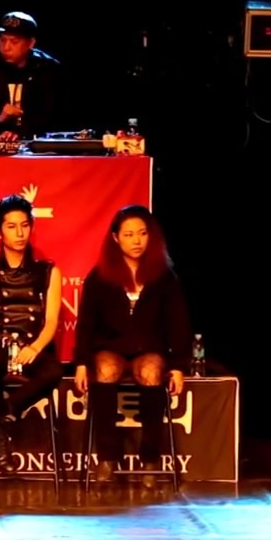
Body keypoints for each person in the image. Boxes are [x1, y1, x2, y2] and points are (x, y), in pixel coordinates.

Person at [74, 205, 191, 489]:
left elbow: (178, 324)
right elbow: (86, 324)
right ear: (116, 238)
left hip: (149, 349)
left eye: (142, 233)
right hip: (110, 347)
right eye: (128, 235)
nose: (136, 240)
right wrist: (81, 363)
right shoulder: (99, 277)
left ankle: (149, 459)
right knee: (105, 369)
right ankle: (107, 457)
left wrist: (178, 366)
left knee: (151, 372)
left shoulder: (165, 277)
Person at [0, 194, 65, 473]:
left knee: (54, 371)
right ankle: (1, 445)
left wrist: (34, 348)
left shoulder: (48, 271)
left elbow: (51, 321)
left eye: (24, 225)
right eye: (11, 227)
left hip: (31, 344)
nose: (20, 233)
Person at [0, 11, 61, 142]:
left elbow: (53, 115)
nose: (6, 47)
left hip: (38, 144)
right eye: (3, 40)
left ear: (31, 43)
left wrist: (20, 133)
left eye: (14, 42)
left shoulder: (47, 69)